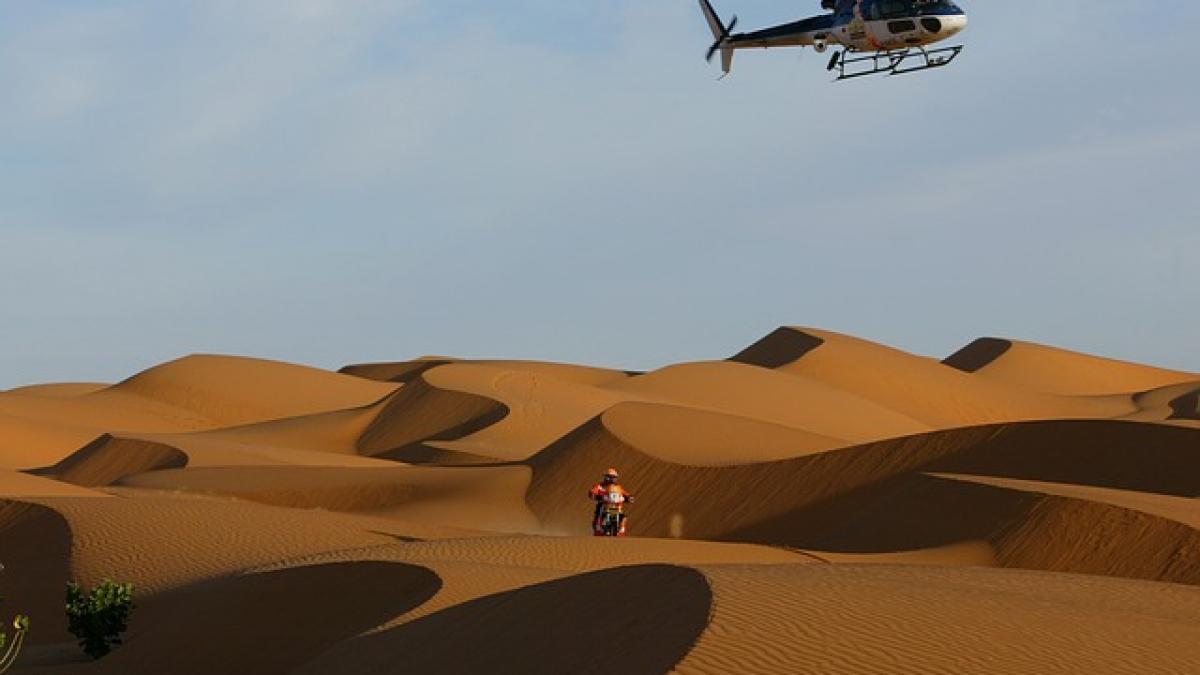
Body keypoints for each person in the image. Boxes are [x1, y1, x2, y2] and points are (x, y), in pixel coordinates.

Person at [589, 468, 634, 536]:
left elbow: (624, 493)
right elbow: (593, 491)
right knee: (599, 509)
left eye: (614, 477)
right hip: (604, 503)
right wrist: (595, 495)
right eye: (610, 477)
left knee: (623, 516)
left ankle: (622, 529)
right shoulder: (600, 486)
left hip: (616, 505)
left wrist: (629, 497)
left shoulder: (618, 487)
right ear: (606, 477)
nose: (612, 479)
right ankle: (598, 527)